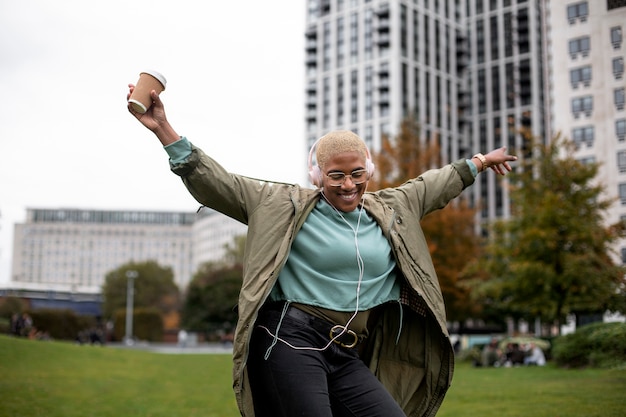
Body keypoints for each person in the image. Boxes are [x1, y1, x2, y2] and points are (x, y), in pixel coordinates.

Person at [127, 86, 516, 417]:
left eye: (357, 174)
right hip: (289, 338)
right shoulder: (280, 203)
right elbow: (217, 183)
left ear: (369, 171)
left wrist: (479, 162)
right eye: (336, 175)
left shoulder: (392, 207)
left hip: (346, 347)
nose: (348, 185)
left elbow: (435, 184)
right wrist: (163, 128)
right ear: (317, 175)